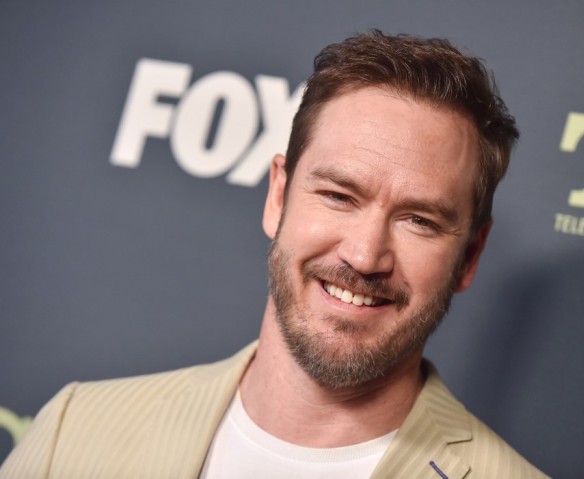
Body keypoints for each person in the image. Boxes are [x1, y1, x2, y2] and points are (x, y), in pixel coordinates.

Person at [1, 30, 548, 478]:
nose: (364, 256)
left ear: (470, 256)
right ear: (278, 196)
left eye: (419, 221)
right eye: (339, 196)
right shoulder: (76, 429)